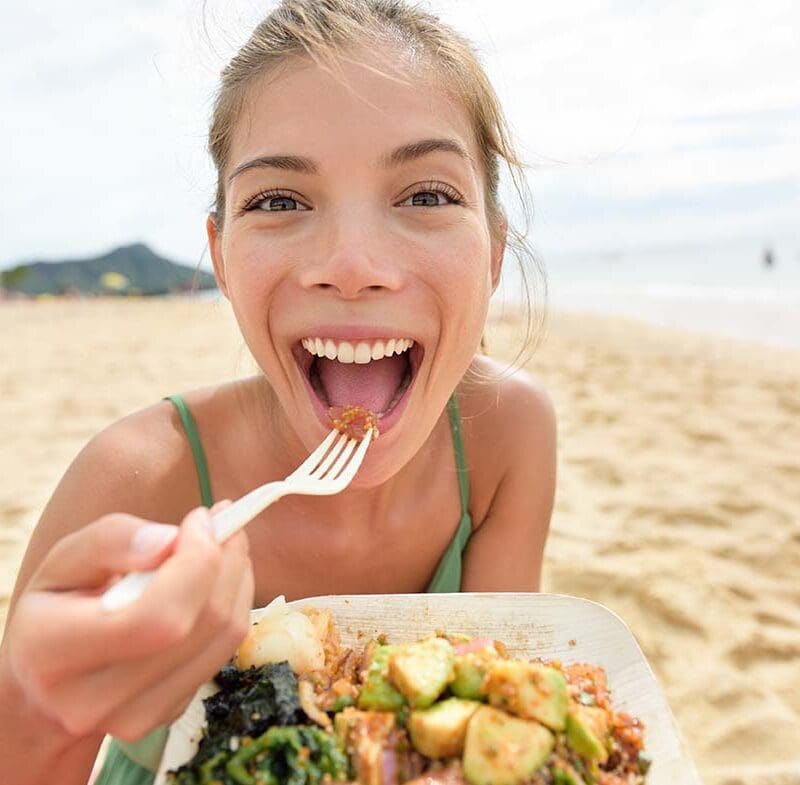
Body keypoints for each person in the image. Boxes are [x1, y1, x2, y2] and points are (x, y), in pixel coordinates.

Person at [0, 1, 556, 783]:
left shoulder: (509, 436)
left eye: (426, 194)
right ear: (222, 258)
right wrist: (35, 708)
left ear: (494, 252)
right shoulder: (136, 479)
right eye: (279, 200)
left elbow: (495, 722)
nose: (353, 262)